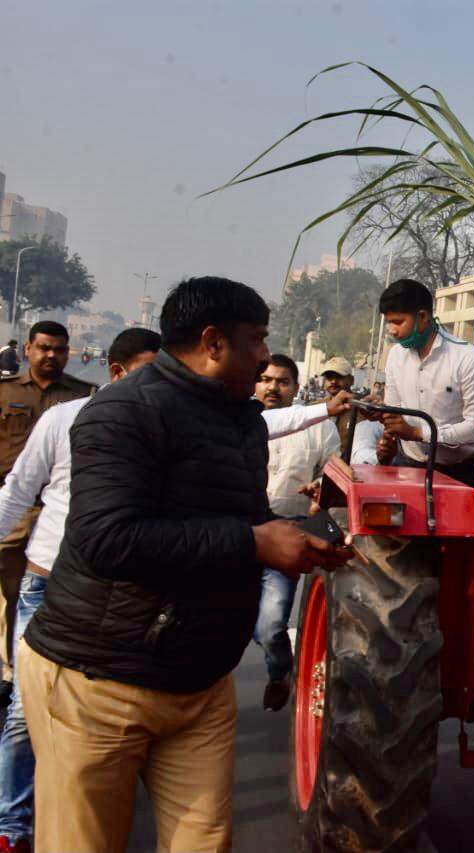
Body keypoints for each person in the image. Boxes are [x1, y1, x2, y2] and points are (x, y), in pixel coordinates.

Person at [17, 277, 351, 853]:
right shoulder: (119, 413)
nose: (266, 356)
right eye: (257, 340)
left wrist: (299, 540)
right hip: (98, 680)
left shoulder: (241, 421)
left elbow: (239, 522)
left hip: (199, 684)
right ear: (213, 342)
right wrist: (254, 545)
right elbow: (106, 539)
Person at [0, 328, 160, 852]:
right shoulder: (63, 419)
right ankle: (13, 826)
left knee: (103, 712)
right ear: (116, 373)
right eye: (148, 373)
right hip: (44, 583)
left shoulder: (167, 428)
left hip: (115, 594)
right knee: (27, 711)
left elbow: (257, 425)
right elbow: (20, 489)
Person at [0, 321, 94, 702]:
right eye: (43, 348)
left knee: (50, 594)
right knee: (11, 594)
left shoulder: (82, 396)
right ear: (28, 350)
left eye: (58, 349)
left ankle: (45, 674)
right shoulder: (5, 392)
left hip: (60, 508)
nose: (50, 355)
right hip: (15, 503)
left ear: (68, 352)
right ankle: (13, 669)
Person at [253, 353, 340, 712]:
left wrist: (319, 488)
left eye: (282, 381)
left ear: (296, 387)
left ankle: (279, 671)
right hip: (238, 531)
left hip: (288, 533)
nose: (273, 387)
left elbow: (335, 473)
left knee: (271, 625)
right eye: (267, 380)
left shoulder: (318, 426)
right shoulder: (235, 421)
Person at [375, 279, 474, 486]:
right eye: (389, 323)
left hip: (456, 472)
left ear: (423, 317)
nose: (392, 330)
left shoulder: (469, 359)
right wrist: (381, 416)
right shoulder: (395, 356)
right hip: (407, 464)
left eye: (399, 322)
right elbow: (394, 412)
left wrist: (418, 433)